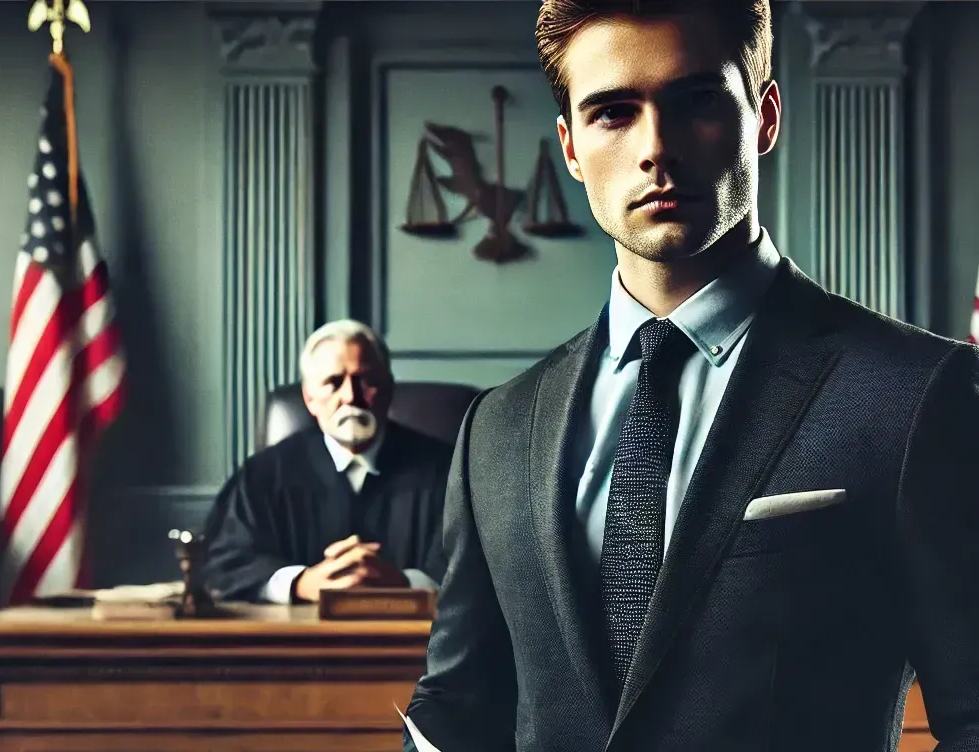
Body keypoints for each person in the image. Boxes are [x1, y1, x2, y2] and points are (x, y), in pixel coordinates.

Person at [404, 1, 979, 751]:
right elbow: (454, 704)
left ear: (763, 117)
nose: (656, 147)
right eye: (613, 112)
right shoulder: (496, 427)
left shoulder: (914, 392)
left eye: (696, 100)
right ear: (571, 148)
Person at [202, 319, 455, 604]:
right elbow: (222, 562)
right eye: (334, 382)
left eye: (367, 380)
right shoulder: (264, 475)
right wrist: (301, 583)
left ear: (389, 389)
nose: (351, 396)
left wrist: (404, 583)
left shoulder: (446, 470)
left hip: (416, 642)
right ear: (309, 399)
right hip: (296, 642)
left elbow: (471, 563)